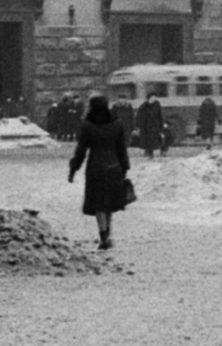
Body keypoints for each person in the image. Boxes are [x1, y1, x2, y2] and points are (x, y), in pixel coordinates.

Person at [68, 93, 132, 251]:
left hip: (95, 168)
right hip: (114, 167)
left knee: (99, 205)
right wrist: (125, 167)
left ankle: (103, 236)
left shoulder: (87, 125)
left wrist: (73, 169)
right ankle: (108, 234)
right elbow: (122, 148)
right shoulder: (117, 124)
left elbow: (81, 150)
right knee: (109, 204)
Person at [135, 93, 165, 160]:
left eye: (154, 98)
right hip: (146, 127)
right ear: (148, 99)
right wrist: (139, 126)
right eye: (152, 98)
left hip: (155, 126)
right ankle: (150, 154)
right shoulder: (143, 107)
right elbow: (139, 117)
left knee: (154, 141)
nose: (154, 99)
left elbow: (160, 115)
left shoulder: (157, 105)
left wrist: (161, 124)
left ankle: (150, 152)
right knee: (148, 141)